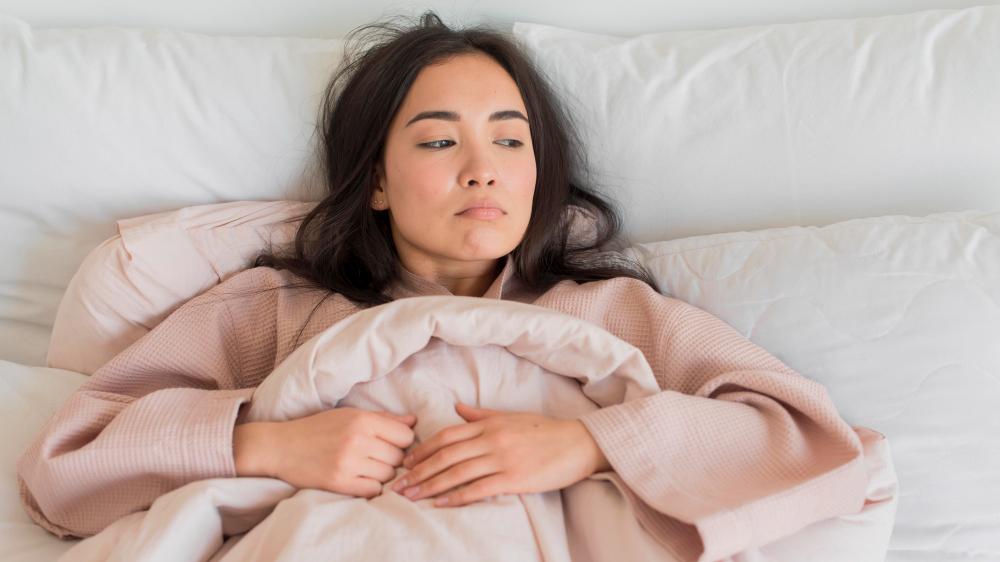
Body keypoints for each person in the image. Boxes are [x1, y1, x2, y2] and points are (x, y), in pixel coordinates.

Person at [17, 12, 873, 561]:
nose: (482, 171)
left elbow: (808, 438)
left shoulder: (614, 312)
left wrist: (589, 444)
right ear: (376, 180)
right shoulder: (272, 310)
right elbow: (70, 461)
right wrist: (269, 445)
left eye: (510, 142)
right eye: (437, 143)